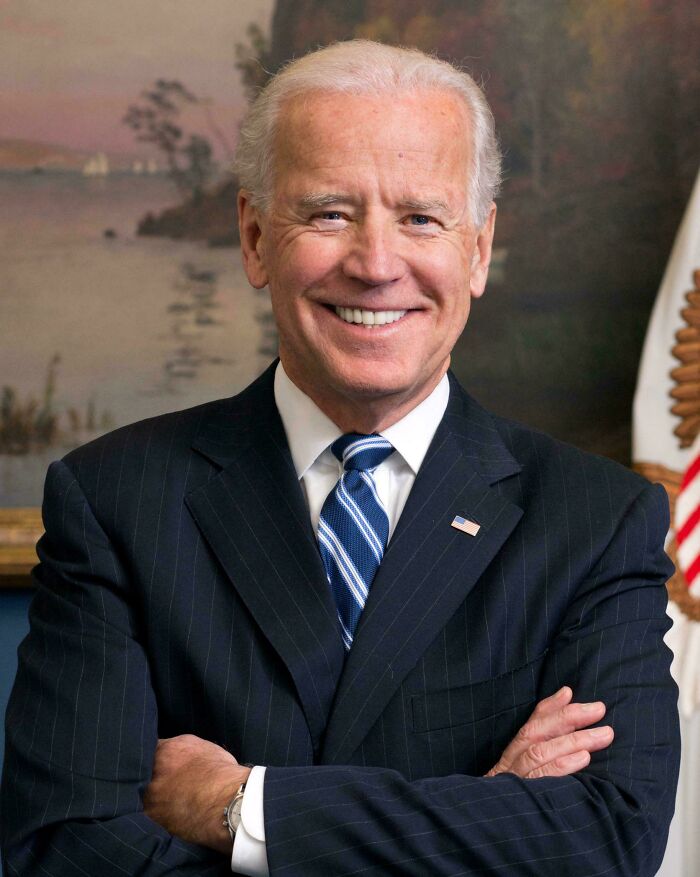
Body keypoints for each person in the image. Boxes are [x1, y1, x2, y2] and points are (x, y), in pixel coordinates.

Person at [1, 40, 679, 876]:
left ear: (476, 249)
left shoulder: (596, 520)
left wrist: (245, 808)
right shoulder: (114, 501)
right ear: (254, 237)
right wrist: (487, 815)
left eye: (421, 217)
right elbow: (62, 850)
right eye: (328, 212)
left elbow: (606, 840)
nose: (376, 262)